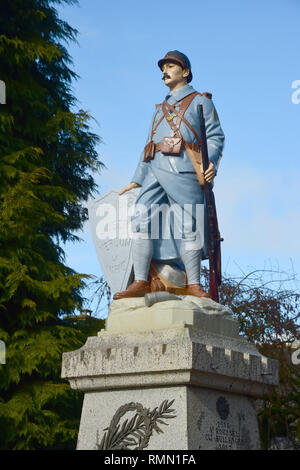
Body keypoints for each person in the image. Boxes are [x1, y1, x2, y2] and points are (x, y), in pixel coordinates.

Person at [114, 51, 224, 300]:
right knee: (141, 219)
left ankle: (194, 284)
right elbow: (149, 143)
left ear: (185, 72)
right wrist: (137, 177)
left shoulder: (201, 101)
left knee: (189, 225)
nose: (165, 70)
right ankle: (141, 280)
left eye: (171, 66)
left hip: (184, 168)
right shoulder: (159, 110)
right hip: (154, 169)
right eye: (163, 67)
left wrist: (212, 162)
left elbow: (216, 136)